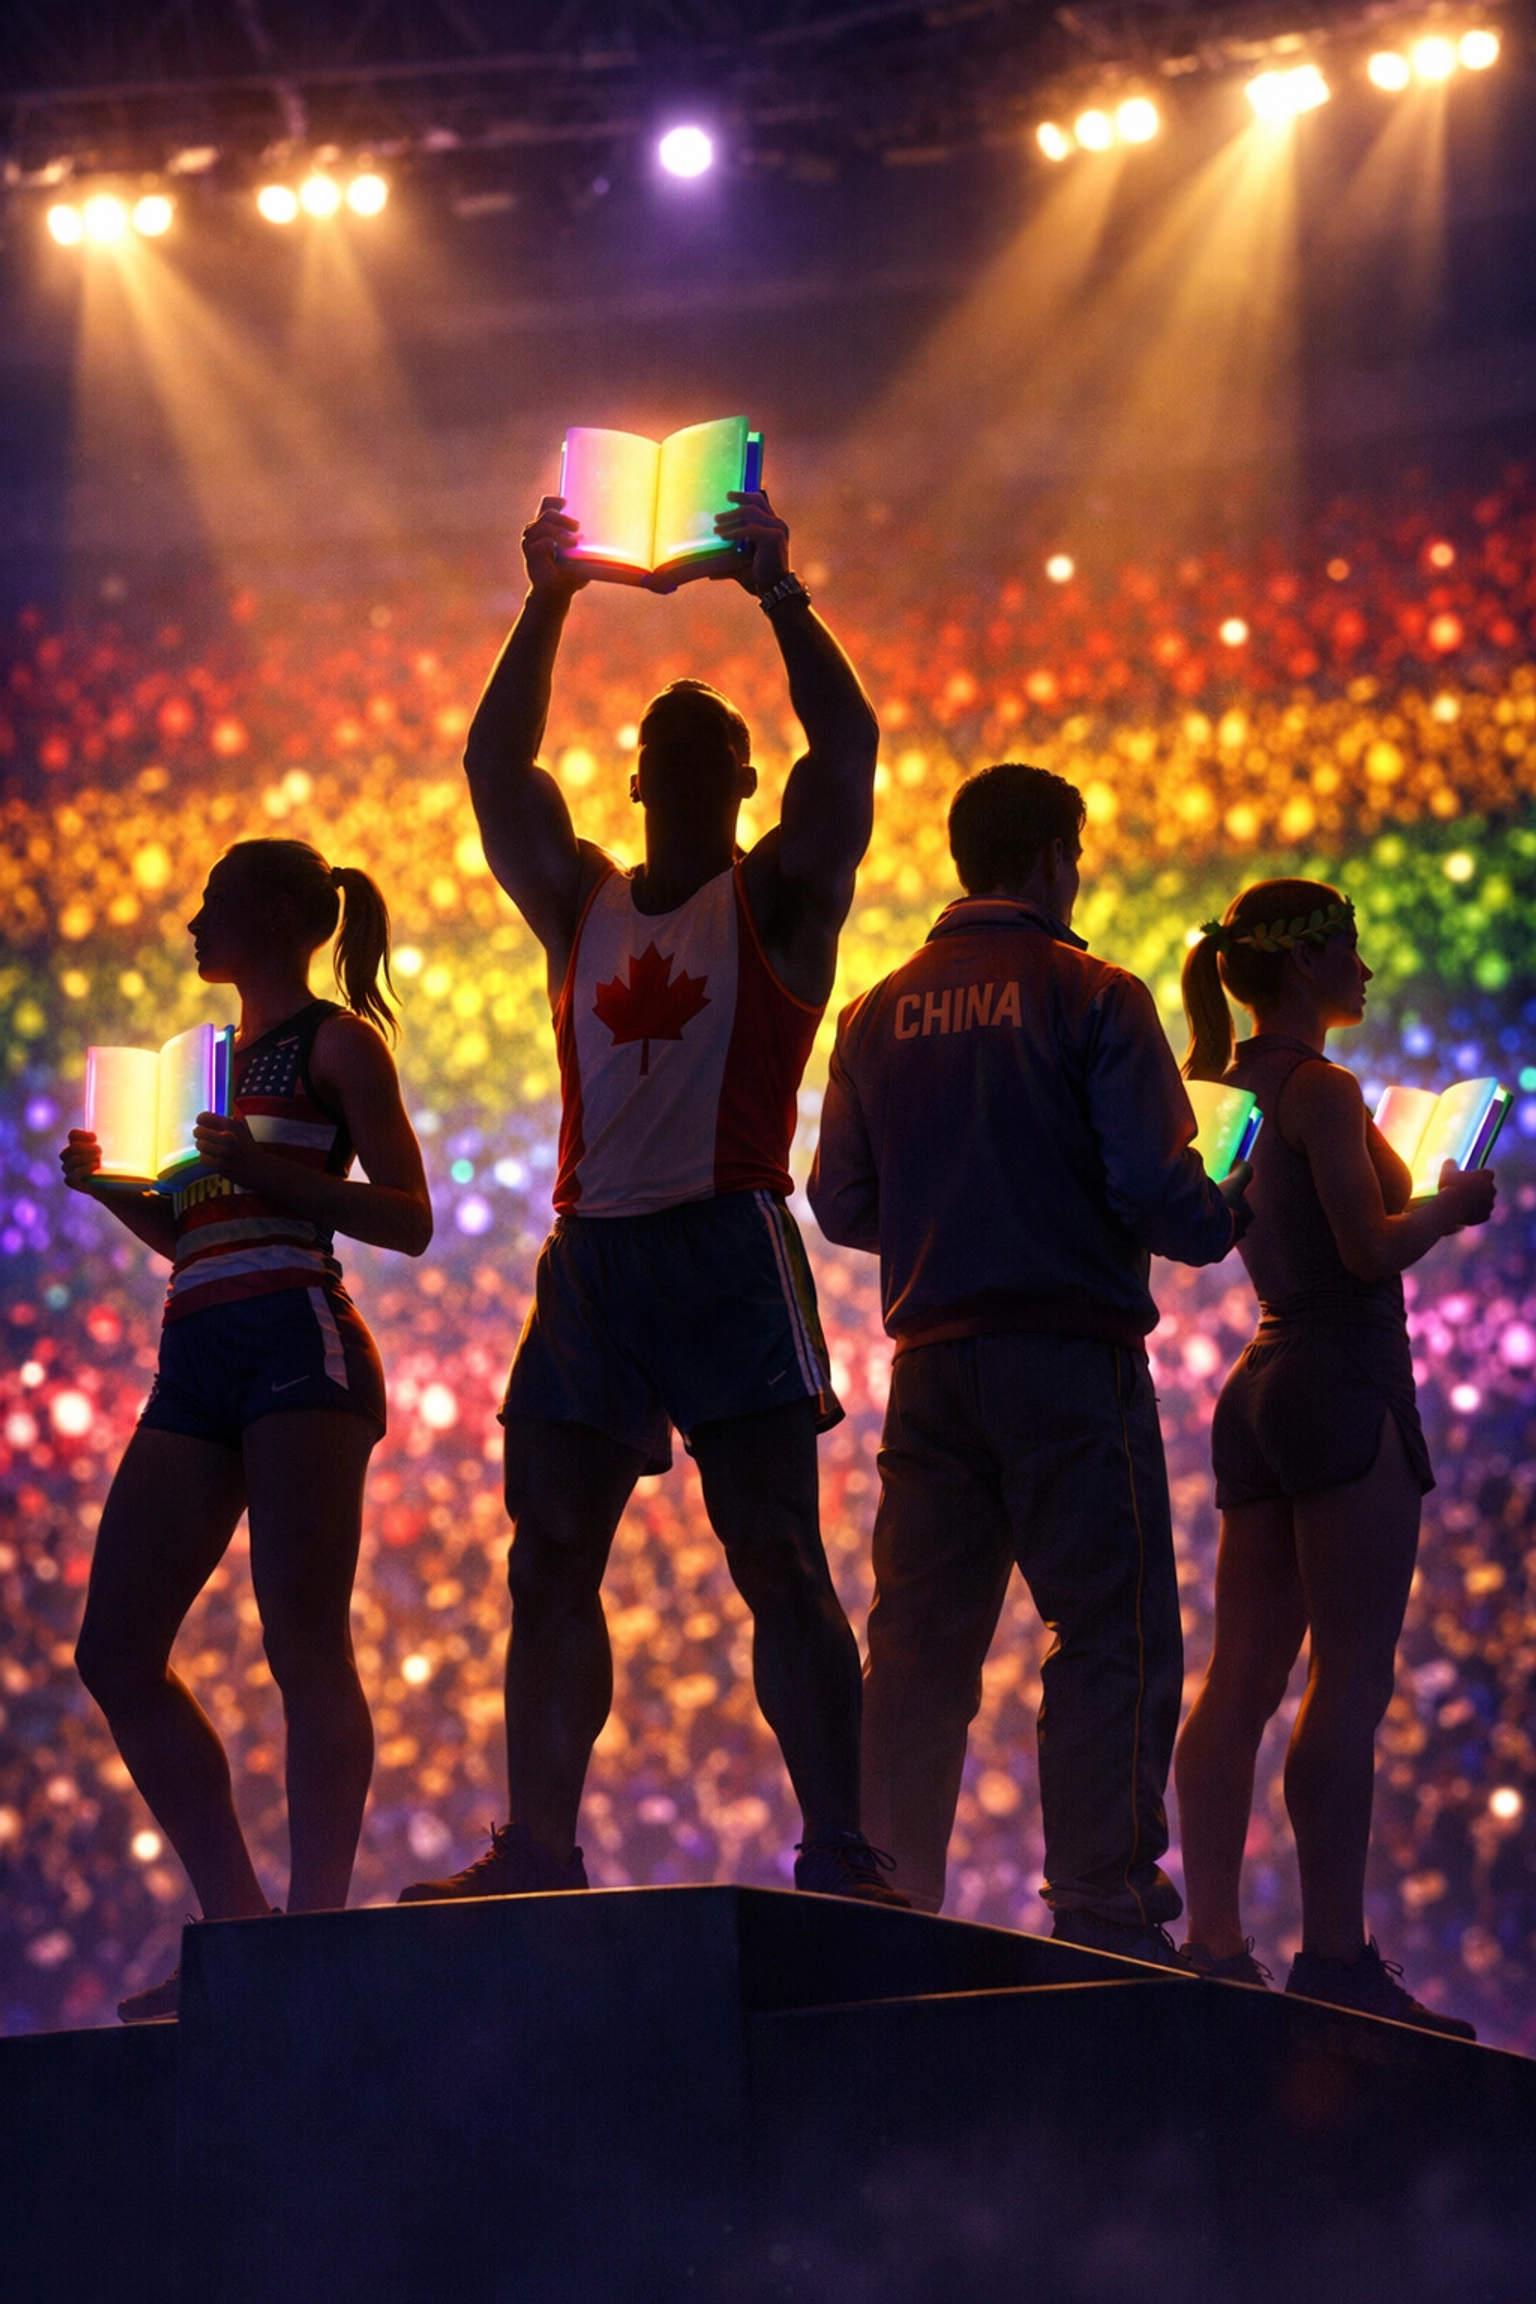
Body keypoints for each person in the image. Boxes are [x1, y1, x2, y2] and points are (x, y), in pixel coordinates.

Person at [399, 485, 905, 1907]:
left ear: (746, 784)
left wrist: (779, 593)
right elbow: (492, 768)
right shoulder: (582, 899)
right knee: (547, 1554)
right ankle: (543, 1849)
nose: (683, 742)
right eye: (662, 741)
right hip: (596, 1258)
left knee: (775, 1556)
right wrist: (547, 596)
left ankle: (843, 1850)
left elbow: (852, 749)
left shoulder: (786, 899)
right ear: (633, 779)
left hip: (726, 1238)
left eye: (713, 742)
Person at [809, 761, 1245, 1958]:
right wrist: (1230, 1206)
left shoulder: (876, 1011)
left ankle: (886, 1894)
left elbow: (839, 1198)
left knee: (917, 1648)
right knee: (1109, 1627)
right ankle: (1102, 1898)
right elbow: (1162, 1192)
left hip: (932, 1365)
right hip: (1069, 1356)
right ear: (1056, 853)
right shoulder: (1094, 993)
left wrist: (944, 1211)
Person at [63, 838, 433, 2021]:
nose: (191, 920)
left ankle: (312, 1928)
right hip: (201, 1349)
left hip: (297, 1342)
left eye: (214, 902)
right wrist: (118, 1192)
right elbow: (198, 1237)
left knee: (302, 1642)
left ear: (275, 917)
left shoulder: (335, 1042)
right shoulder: (205, 1072)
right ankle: (238, 1923)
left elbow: (409, 1216)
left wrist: (261, 1174)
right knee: (113, 1650)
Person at [1173, 880, 1494, 2035]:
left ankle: (1210, 1939)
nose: (1363, 967)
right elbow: (1367, 1252)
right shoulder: (1321, 1088)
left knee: (1242, 1676)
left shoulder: (1229, 1089)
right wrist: (1452, 1210)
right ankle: (1336, 1955)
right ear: (1304, 964)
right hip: (1344, 1380)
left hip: (1258, 1386)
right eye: (1347, 947)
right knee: (1347, 1681)